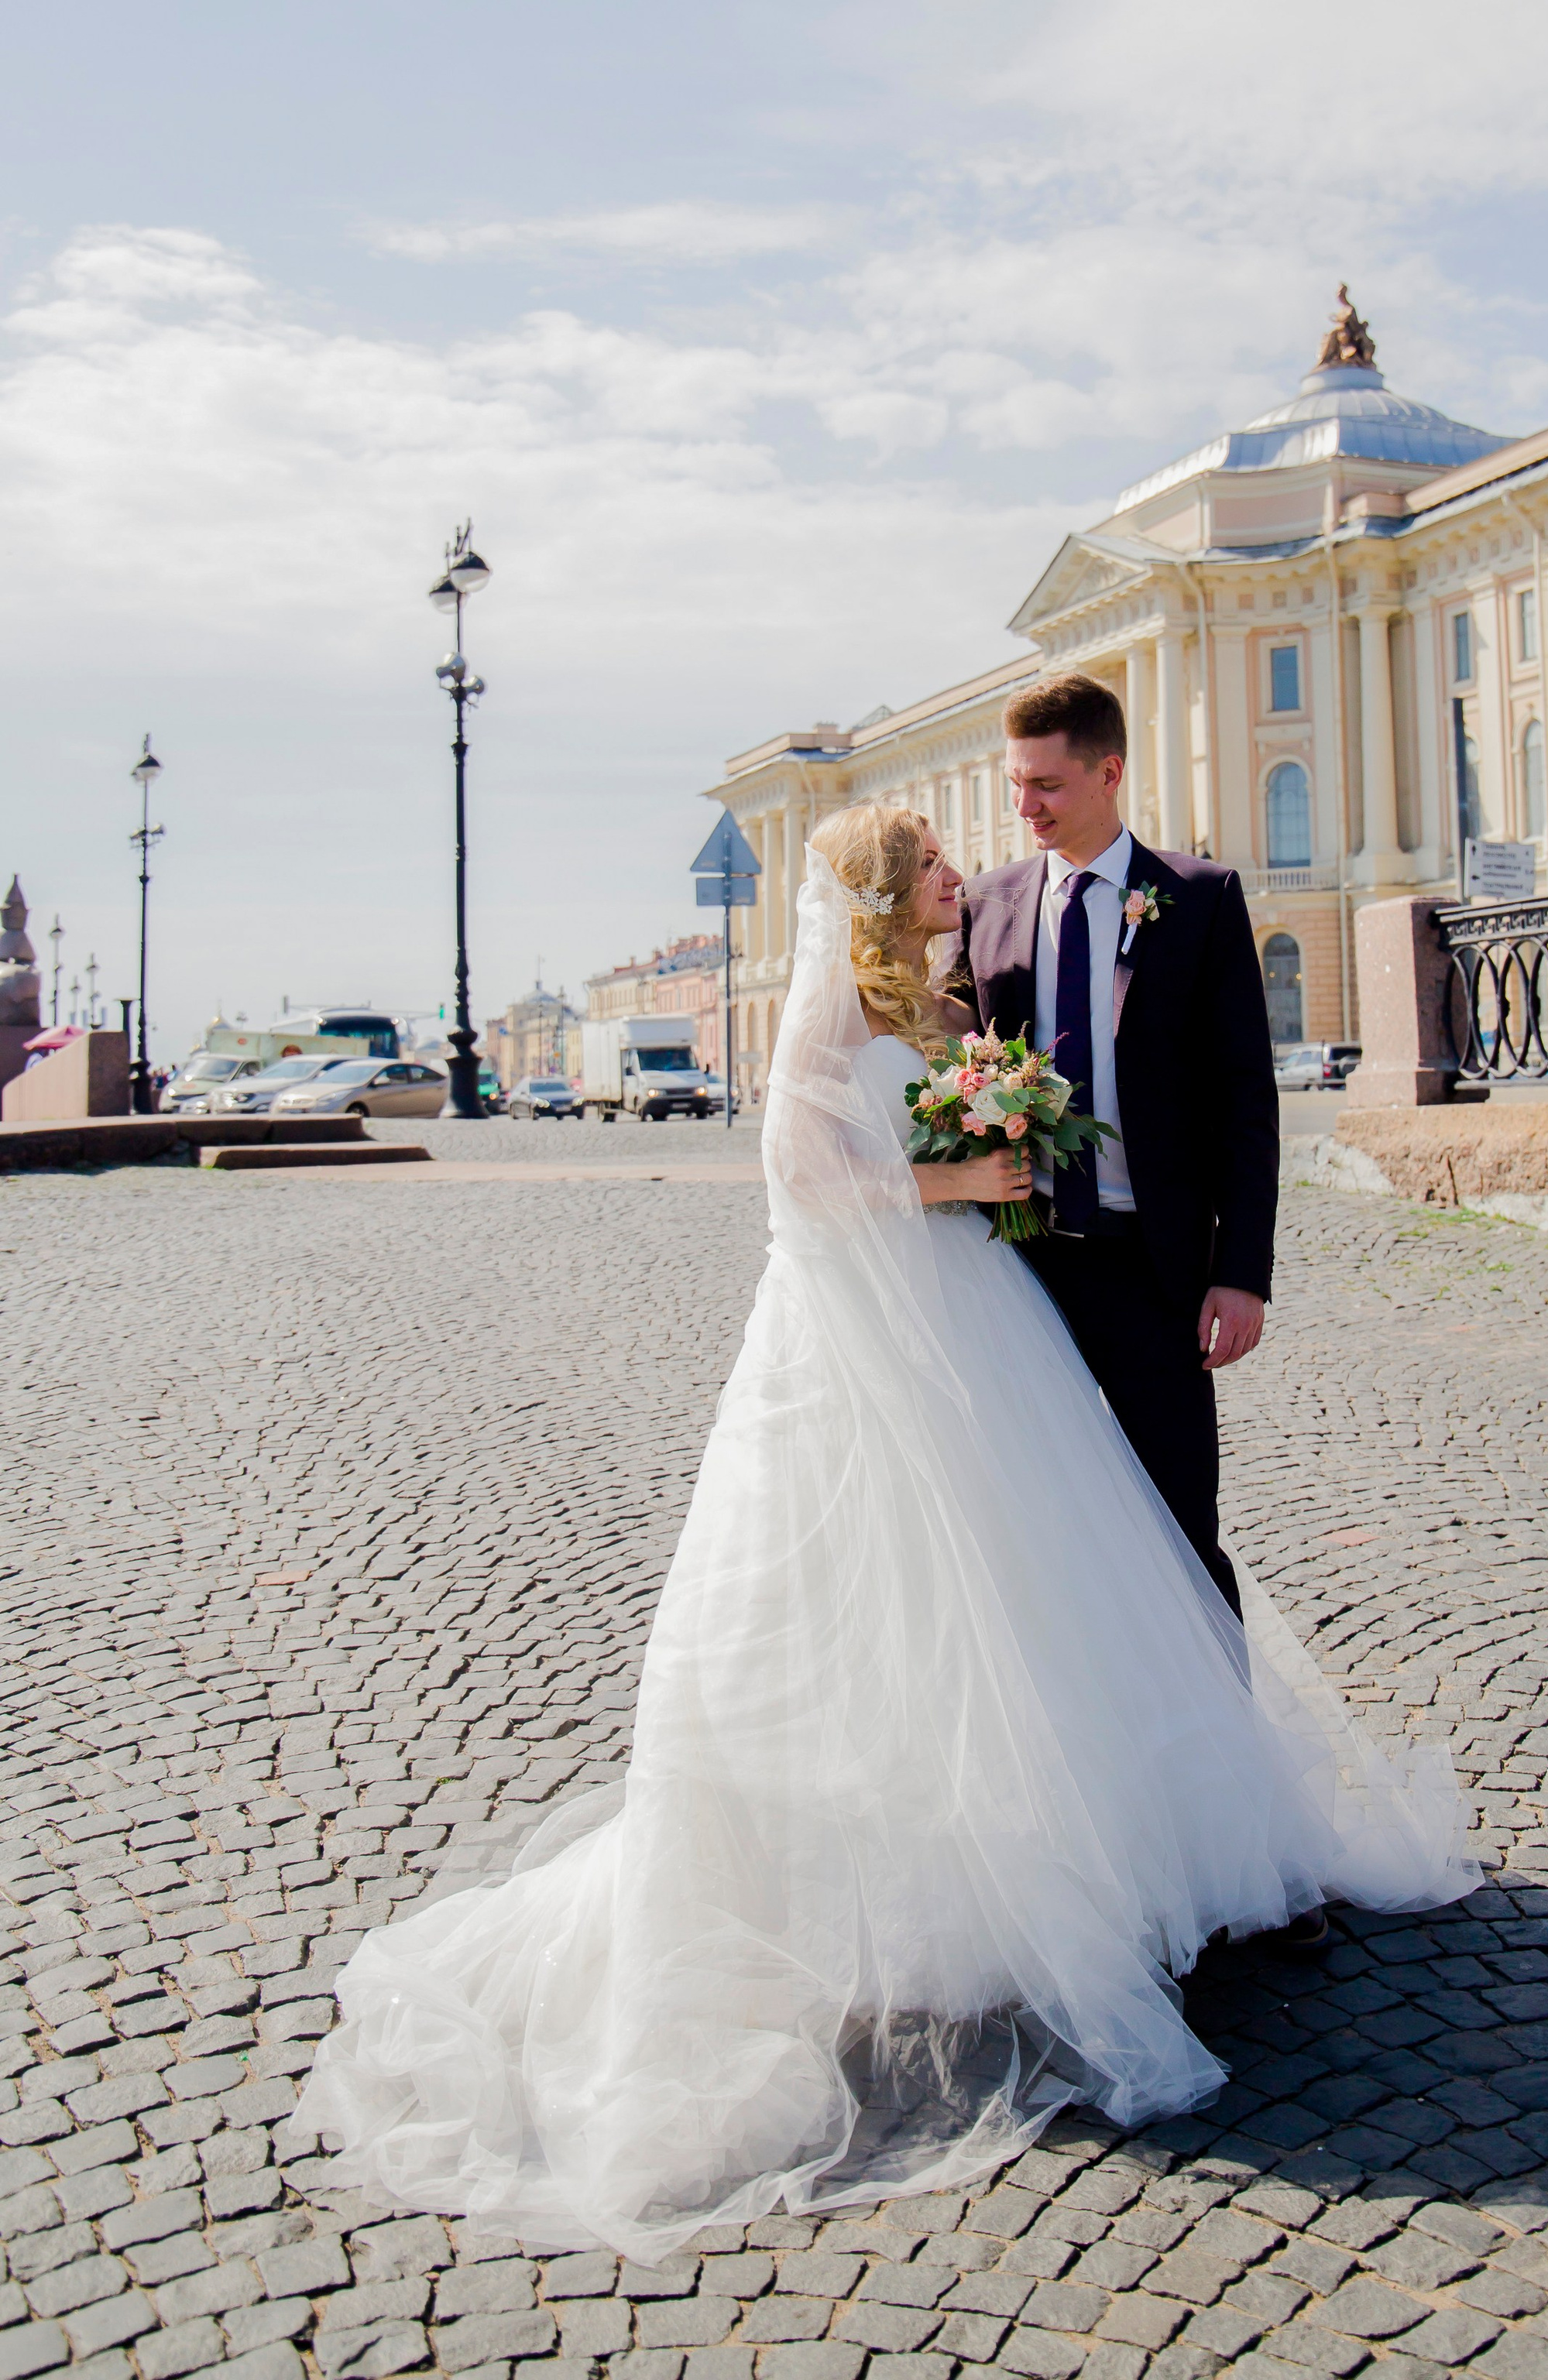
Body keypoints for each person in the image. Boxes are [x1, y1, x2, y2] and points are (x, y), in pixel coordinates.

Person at [293, 806, 1477, 2260]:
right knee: (865, 1598)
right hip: (857, 1334)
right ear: (878, 896)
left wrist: (991, 1155)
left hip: (969, 1319)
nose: (958, 875)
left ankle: (1062, 1856)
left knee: (1025, 1582)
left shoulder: (942, 993)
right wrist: (959, 1177)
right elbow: (798, 1177)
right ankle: (907, 1892)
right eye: (930, 864)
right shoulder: (838, 1008)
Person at [951, 670, 1272, 1616]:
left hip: (1153, 1266)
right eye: (1015, 783)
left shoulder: (1201, 899)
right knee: (1035, 1530)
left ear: (1109, 773)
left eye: (1045, 785)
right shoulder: (988, 905)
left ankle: (1220, 1757)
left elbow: (1244, 1100)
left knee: (1179, 1529)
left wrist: (1240, 1270)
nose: (1024, 807)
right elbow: (943, 1059)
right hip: (1022, 1267)